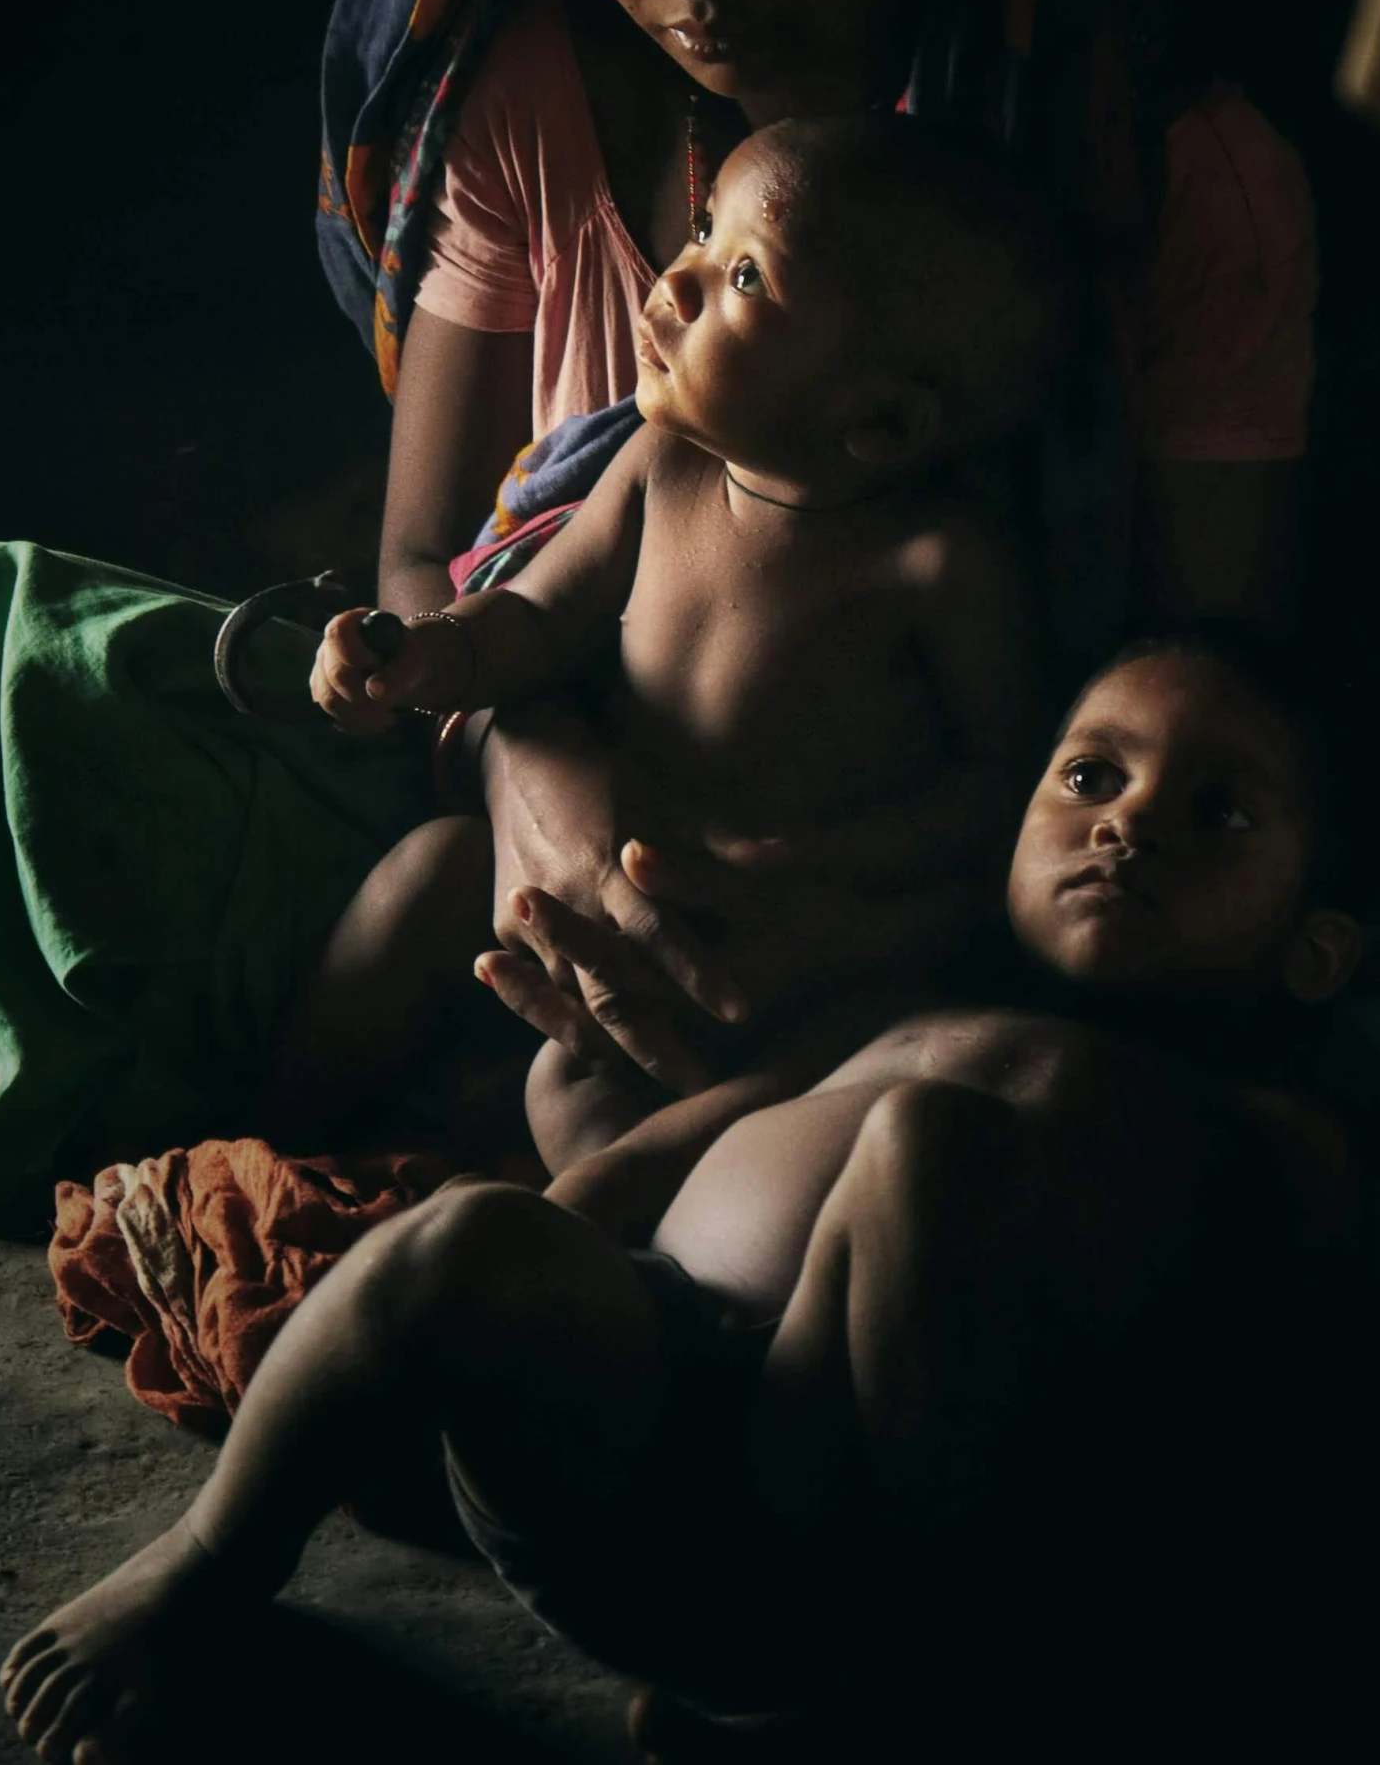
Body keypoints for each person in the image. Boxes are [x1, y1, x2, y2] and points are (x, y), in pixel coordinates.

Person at [0, 0, 1317, 1233]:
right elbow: (441, 557)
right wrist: (538, 794)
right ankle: (289, 1146)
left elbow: (1181, 708)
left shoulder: (1155, 171)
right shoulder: (528, 94)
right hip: (527, 780)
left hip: (925, 907)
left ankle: (582, 1245)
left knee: (968, 1139)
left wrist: (819, 912)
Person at [0, 630, 1378, 1762]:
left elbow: (1254, 1373)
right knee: (482, 1230)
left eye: (1215, 812)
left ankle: (841, 1701)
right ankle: (212, 1551)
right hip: (642, 1447)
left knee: (925, 1147)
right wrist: (489, 1297)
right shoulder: (897, 1013)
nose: (1129, 822)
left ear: (1315, 950)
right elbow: (657, 1157)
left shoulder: (1257, 1125)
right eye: (1089, 775)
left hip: (902, 1544)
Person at [284, 114, 1061, 1137]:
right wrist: (424, 653)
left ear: (879, 422)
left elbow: (1001, 786)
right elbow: (532, 612)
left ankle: (607, 1245)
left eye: (746, 276)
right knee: (426, 873)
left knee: (575, 1098)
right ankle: (272, 1130)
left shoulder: (936, 567)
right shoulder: (661, 466)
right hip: (575, 875)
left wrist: (822, 866)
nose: (676, 280)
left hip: (764, 950)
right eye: (702, 230)